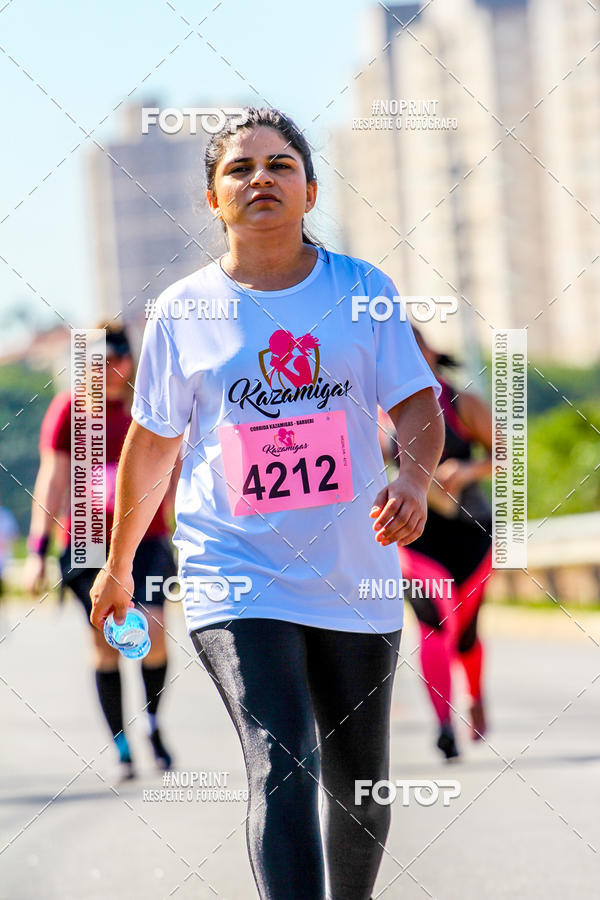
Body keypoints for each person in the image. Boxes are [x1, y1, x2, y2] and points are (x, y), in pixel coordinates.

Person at [89, 107, 445, 900]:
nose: (261, 179)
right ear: (212, 200)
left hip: (354, 570)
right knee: (281, 764)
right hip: (235, 567)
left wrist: (414, 481)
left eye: (281, 165)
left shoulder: (362, 290)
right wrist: (118, 566)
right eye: (239, 169)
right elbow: (153, 445)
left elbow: (419, 403)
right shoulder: (184, 310)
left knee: (361, 789)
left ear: (311, 191)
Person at [24, 324, 179, 781]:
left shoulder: (148, 408)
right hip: (87, 544)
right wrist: (37, 550)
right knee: (104, 643)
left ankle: (152, 722)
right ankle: (122, 746)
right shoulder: (69, 410)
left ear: (131, 360)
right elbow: (52, 480)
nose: (110, 368)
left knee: (152, 631)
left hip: (146, 540)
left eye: (118, 358)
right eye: (99, 361)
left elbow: (174, 471)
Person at [378, 329, 493, 759]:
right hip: (416, 536)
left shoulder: (463, 402)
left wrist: (466, 471)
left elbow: (508, 454)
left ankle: (475, 695)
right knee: (433, 626)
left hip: (472, 533)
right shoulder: (380, 413)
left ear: (428, 352)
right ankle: (444, 725)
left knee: (464, 634)